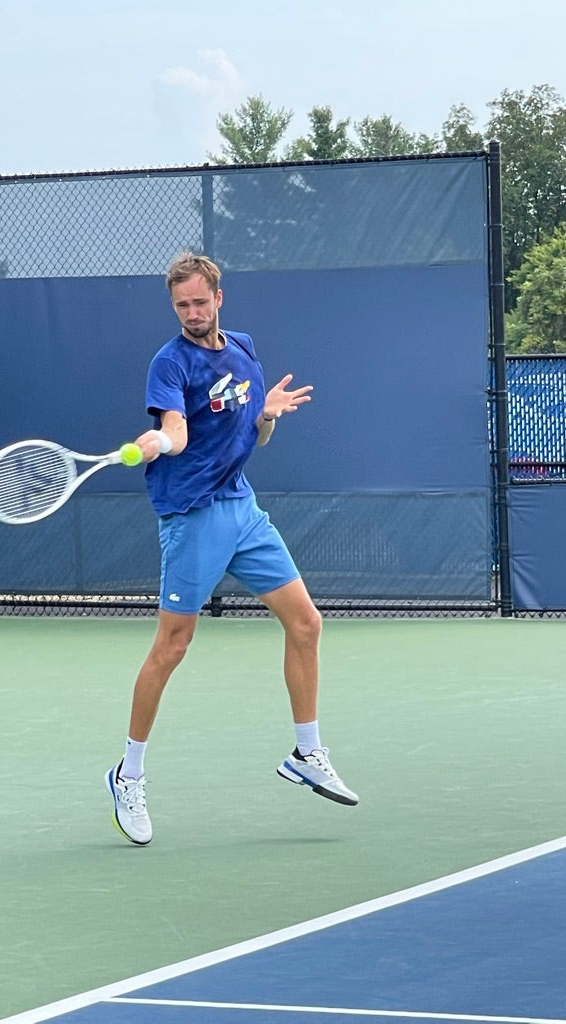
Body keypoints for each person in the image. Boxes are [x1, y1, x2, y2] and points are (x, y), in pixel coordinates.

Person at [104, 252, 358, 845]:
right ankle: (129, 773)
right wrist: (161, 441)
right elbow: (178, 429)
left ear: (219, 297)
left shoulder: (242, 348)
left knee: (306, 624)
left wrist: (266, 413)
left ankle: (307, 752)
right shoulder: (169, 363)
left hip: (242, 509)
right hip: (192, 518)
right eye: (181, 305)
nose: (191, 313)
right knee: (173, 645)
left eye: (199, 302)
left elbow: (257, 435)